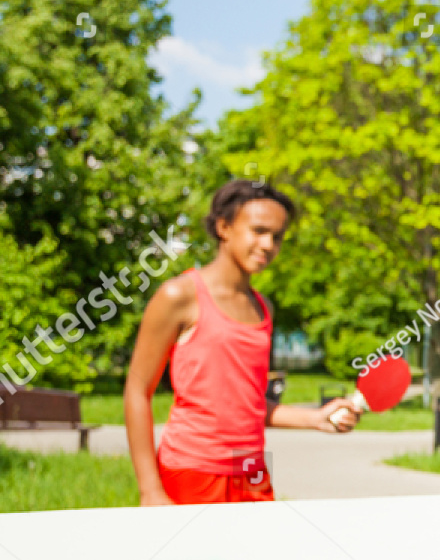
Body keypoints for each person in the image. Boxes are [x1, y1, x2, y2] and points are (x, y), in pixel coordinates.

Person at [124, 179, 359, 506]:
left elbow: (249, 405)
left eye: (277, 237)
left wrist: (316, 417)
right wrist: (150, 490)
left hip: (251, 471)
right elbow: (137, 390)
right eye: (259, 231)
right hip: (191, 470)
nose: (268, 245)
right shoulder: (179, 296)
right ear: (224, 227)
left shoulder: (263, 308)